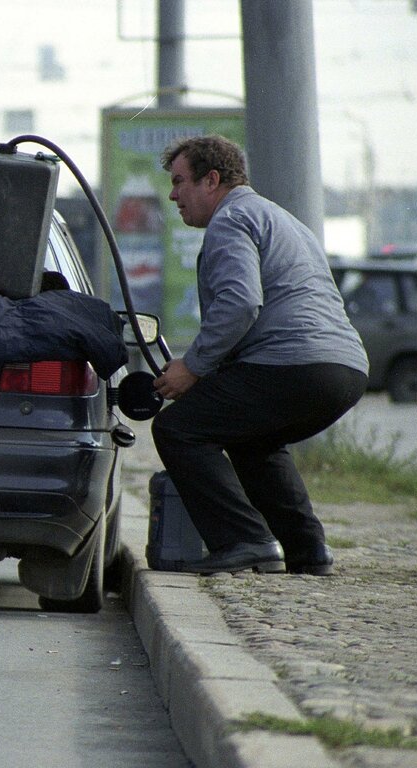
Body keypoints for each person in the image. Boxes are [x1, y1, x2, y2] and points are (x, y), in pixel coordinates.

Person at [151, 135, 369, 576]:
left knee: (178, 428)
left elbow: (240, 301)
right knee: (254, 440)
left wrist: (192, 368)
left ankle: (244, 540)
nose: (173, 194)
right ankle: (308, 552)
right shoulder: (280, 218)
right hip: (345, 370)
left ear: (211, 180)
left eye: (179, 182)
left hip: (294, 364)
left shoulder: (231, 220)